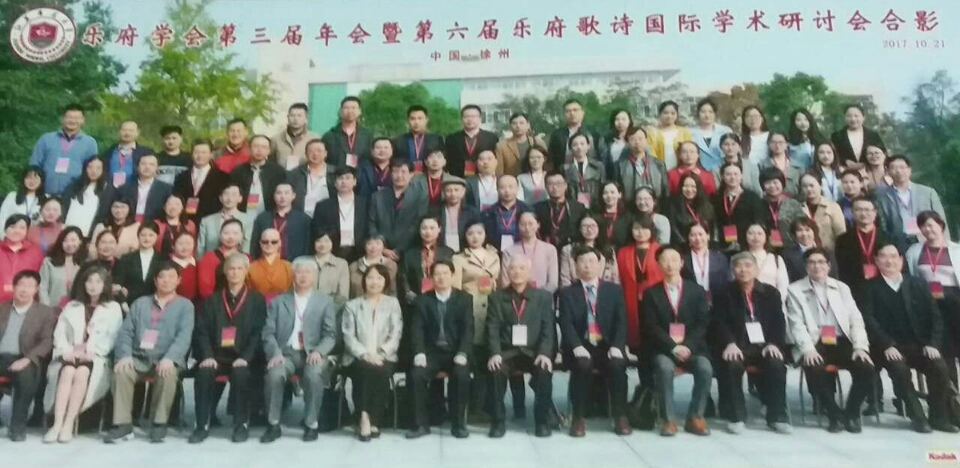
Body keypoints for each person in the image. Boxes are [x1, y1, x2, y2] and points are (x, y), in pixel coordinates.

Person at [861, 243, 958, 433]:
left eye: (893, 256)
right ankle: (918, 417)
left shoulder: (917, 284)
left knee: (939, 367)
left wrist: (933, 344)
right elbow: (868, 320)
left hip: (920, 345)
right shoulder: (869, 287)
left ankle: (938, 417)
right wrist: (887, 345)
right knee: (900, 371)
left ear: (901, 260)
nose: (889, 261)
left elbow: (935, 316)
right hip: (888, 348)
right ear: (876, 261)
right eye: (884, 257)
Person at [786, 247, 874, 433]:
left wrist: (860, 346)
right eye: (811, 262)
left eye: (821, 262)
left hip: (841, 340)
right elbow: (796, 324)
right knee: (814, 367)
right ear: (806, 266)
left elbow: (855, 319)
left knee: (866, 368)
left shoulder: (842, 288)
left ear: (828, 265)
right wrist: (808, 349)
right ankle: (834, 414)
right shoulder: (795, 290)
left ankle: (851, 413)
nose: (816, 266)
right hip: (814, 342)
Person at [103, 262, 193, 443]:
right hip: (139, 357)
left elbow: (184, 336)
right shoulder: (140, 303)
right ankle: (122, 424)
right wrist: (125, 355)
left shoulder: (185, 306)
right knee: (122, 371)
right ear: (155, 280)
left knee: (167, 374)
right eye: (162, 277)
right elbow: (126, 332)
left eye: (171, 277)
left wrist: (170, 358)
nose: (166, 281)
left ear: (178, 280)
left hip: (166, 358)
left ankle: (159, 423)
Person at [711, 252, 792, 434]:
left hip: (764, 345)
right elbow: (718, 322)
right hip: (737, 345)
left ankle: (777, 416)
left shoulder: (771, 293)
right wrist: (729, 343)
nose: (743, 270)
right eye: (738, 266)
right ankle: (736, 417)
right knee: (732, 364)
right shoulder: (723, 292)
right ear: (733, 270)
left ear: (756, 269)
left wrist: (774, 343)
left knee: (776, 364)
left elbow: (779, 321)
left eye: (748, 265)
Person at [190, 253, 267, 443]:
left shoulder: (256, 300)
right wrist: (207, 356)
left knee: (241, 374)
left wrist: (246, 357)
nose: (235, 272)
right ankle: (202, 425)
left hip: (243, 356)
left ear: (246, 271)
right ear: (225, 271)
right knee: (204, 373)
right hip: (216, 355)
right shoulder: (212, 300)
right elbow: (201, 331)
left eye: (239, 268)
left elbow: (258, 332)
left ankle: (241, 425)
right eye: (231, 268)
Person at [260, 258, 338, 443]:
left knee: (314, 375)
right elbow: (268, 332)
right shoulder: (279, 301)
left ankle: (311, 424)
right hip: (286, 352)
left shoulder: (324, 302)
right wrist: (275, 353)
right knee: (274, 374)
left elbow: (330, 335)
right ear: (293, 276)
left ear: (314, 276)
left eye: (308, 272)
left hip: (313, 353)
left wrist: (319, 351)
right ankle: (273, 424)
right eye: (299, 272)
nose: (303, 276)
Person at [42, 266, 123, 443]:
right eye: (89, 281)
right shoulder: (72, 306)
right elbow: (60, 333)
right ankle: (57, 424)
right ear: (83, 283)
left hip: (96, 356)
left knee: (82, 372)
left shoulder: (113, 308)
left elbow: (113, 337)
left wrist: (92, 351)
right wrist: (67, 351)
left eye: (98, 281)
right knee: (67, 371)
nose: (93, 286)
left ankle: (69, 423)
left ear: (105, 285)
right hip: (69, 355)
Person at [558, 246, 630, 437]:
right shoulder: (567, 293)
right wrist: (576, 346)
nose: (587, 265)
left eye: (591, 261)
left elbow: (621, 321)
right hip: (580, 345)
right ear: (575, 266)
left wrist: (617, 346)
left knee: (618, 365)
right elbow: (565, 323)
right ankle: (578, 418)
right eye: (582, 261)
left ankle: (620, 416)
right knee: (582, 365)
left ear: (600, 265)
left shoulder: (613, 290)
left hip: (607, 346)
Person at [643, 245, 713, 436]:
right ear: (658, 264)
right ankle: (669, 420)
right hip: (664, 349)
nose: (670, 264)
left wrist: (688, 346)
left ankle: (695, 417)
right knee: (664, 368)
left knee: (705, 368)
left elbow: (702, 324)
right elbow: (651, 326)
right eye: (665, 260)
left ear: (682, 263)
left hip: (692, 348)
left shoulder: (697, 291)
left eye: (674, 259)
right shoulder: (651, 293)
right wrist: (673, 347)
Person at [486, 256, 555, 437]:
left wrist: (545, 352)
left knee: (544, 370)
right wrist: (495, 353)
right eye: (513, 268)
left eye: (522, 268)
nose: (517, 272)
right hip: (507, 352)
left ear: (529, 271)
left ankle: (542, 421)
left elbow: (548, 328)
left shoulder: (543, 297)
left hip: (533, 352)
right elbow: (492, 328)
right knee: (495, 370)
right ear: (507, 272)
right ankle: (498, 422)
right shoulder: (496, 297)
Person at [405, 260, 473, 439]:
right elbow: (417, 329)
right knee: (416, 375)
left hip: (455, 352)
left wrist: (463, 353)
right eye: (437, 274)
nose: (441, 277)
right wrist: (419, 352)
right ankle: (420, 425)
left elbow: (468, 329)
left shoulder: (464, 299)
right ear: (431, 278)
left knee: (461, 375)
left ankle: (458, 424)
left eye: (445, 273)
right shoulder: (422, 300)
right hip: (432, 352)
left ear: (452, 275)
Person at [341, 264, 403, 441]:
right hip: (357, 356)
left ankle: (372, 417)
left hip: (385, 355)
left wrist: (381, 353)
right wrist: (365, 354)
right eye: (370, 278)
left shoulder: (392, 303)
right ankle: (364, 417)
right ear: (364, 281)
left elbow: (396, 333)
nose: (374, 282)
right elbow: (348, 336)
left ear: (386, 282)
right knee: (365, 369)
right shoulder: (352, 305)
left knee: (380, 370)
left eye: (379, 278)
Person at [451, 220, 500, 417]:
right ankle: (471, 406)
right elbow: (455, 288)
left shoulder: (494, 255)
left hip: (492, 309)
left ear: (485, 235)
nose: (475, 237)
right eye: (470, 233)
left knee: (490, 357)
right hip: (470, 310)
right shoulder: (458, 258)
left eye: (479, 232)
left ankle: (487, 405)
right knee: (474, 357)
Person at [0, 271, 56, 441]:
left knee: (26, 376)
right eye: (21, 285)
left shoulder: (45, 313)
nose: (24, 290)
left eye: (30, 286)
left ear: (36, 289)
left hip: (25, 358)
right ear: (14, 287)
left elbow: (46, 341)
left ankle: (17, 427)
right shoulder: (2, 308)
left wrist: (27, 359)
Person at [906, 211, 960, 385]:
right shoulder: (914, 251)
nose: (927, 229)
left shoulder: (956, 250)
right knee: (944, 349)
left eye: (931, 225)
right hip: (929, 304)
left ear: (941, 226)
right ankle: (951, 392)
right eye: (923, 226)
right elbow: (911, 278)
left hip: (954, 302)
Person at [616, 216, 665, 353]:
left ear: (651, 230)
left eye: (644, 228)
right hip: (630, 297)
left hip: (656, 298)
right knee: (635, 334)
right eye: (636, 228)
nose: (640, 232)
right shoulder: (623, 252)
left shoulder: (660, 250)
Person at [29, 103, 99, 196]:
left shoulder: (90, 143)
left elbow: (92, 170)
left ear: (83, 120)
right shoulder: (46, 139)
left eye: (76, 118)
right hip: (45, 193)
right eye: (69, 117)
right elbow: (35, 165)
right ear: (62, 118)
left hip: (75, 195)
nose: (72, 121)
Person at [368, 159, 429, 261]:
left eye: (403, 172)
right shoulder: (377, 196)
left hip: (409, 250)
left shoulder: (420, 196)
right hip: (380, 251)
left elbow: (418, 224)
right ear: (391, 174)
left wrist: (400, 249)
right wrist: (381, 247)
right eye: (395, 171)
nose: (399, 175)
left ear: (411, 174)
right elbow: (371, 223)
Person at [835, 197, 893, 300]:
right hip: (856, 290)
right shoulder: (843, 240)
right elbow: (842, 270)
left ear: (875, 212)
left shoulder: (889, 238)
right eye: (858, 210)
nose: (863, 213)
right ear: (852, 213)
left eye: (867, 210)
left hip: (886, 287)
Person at [882, 155, 948, 244]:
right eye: (894, 168)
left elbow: (941, 220)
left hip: (929, 241)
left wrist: (945, 243)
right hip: (899, 244)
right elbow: (883, 226)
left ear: (909, 170)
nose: (898, 171)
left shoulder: (928, 192)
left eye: (902, 167)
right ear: (888, 171)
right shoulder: (882, 196)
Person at [311, 166, 368, 261]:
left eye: (348, 178)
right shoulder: (323, 206)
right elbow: (318, 229)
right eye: (340, 178)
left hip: (360, 252)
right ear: (335, 183)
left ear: (354, 181)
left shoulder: (365, 204)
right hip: (333, 252)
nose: (344, 182)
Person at [398, 216, 456, 308]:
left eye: (432, 228)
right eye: (424, 228)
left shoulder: (448, 252)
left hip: (443, 299)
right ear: (419, 230)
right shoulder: (409, 254)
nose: (428, 232)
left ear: (439, 229)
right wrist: (409, 293)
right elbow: (403, 276)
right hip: (416, 300)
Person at [499, 212, 558, 293]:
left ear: (538, 225)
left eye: (530, 224)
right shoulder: (509, 251)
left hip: (543, 297)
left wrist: (539, 297)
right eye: (522, 224)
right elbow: (505, 282)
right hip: (515, 297)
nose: (527, 228)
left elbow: (553, 283)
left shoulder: (550, 249)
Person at [172, 139, 227, 224]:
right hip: (185, 222)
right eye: (196, 152)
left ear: (211, 154)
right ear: (191, 154)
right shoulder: (181, 177)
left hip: (211, 222)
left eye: (203, 152)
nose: (200, 156)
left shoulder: (222, 177)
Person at [232, 135, 287, 220]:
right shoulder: (238, 171)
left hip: (269, 217)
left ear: (269, 151)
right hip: (242, 217)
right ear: (249, 149)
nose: (259, 150)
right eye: (256, 146)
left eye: (263, 147)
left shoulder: (278, 172)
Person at [250, 182, 310, 260]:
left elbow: (307, 245)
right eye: (279, 193)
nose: (282, 196)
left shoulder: (303, 219)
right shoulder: (263, 218)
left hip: (294, 263)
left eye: (286, 193)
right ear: (274, 196)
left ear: (293, 196)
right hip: (266, 262)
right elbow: (255, 244)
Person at [713, 162, 763, 252]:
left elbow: (757, 221)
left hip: (746, 244)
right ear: (722, 176)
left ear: (741, 176)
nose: (732, 177)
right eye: (728, 174)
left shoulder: (752, 197)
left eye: (736, 174)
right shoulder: (716, 198)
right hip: (723, 244)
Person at [560, 214, 619, 287]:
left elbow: (614, 279)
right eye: (585, 226)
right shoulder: (568, 250)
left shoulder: (608, 250)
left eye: (593, 226)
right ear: (579, 229)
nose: (589, 229)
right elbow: (565, 280)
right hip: (575, 292)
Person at [114, 222, 165, 305]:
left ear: (157, 237)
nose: (147, 238)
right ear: (138, 236)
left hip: (155, 304)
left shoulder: (163, 260)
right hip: (129, 303)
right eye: (143, 235)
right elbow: (118, 284)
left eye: (151, 235)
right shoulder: (126, 259)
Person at [61, 157, 113, 238]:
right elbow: (64, 207)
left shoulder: (106, 190)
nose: (93, 171)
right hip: (67, 231)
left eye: (98, 168)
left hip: (88, 234)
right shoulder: (73, 186)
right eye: (90, 167)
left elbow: (102, 215)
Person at [197, 183, 253, 257]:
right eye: (226, 194)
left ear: (240, 198)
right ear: (220, 198)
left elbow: (246, 246)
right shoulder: (206, 221)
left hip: (237, 261)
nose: (229, 198)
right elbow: (200, 249)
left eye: (233, 195)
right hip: (211, 261)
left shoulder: (248, 220)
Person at [480, 175, 533, 251]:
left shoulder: (528, 210)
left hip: (523, 250)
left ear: (517, 188)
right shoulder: (488, 213)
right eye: (502, 187)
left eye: (511, 187)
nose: (507, 190)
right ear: (497, 189)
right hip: (495, 252)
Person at [535, 170, 586, 249]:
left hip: (571, 248)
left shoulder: (578, 207)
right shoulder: (538, 208)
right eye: (550, 184)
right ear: (545, 187)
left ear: (565, 185)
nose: (554, 187)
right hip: (546, 248)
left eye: (558, 183)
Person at [444, 104, 499, 178]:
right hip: (458, 178)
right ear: (461, 119)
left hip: (483, 177)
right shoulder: (452, 138)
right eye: (466, 116)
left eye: (473, 116)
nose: (470, 119)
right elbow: (448, 160)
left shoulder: (491, 138)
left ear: (480, 118)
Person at [116, 153, 173, 224]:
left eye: (151, 164)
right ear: (137, 167)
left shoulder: (166, 189)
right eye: (143, 164)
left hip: (154, 225)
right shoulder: (125, 188)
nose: (147, 167)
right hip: (128, 223)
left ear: (157, 168)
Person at [616, 126, 668, 202]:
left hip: (655, 204)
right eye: (633, 139)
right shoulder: (619, 165)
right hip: (630, 204)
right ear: (627, 143)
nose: (637, 142)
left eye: (640, 139)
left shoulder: (659, 164)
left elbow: (665, 189)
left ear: (646, 140)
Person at [39, 226, 87, 308]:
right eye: (65, 241)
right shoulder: (49, 262)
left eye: (73, 240)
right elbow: (42, 287)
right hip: (51, 308)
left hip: (75, 310)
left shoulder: (84, 264)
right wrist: (47, 309)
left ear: (80, 241)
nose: (69, 244)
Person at [0, 215, 44, 303]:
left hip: (25, 302)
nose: (17, 231)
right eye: (12, 227)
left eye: (22, 228)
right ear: (5, 229)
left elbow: (40, 278)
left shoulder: (35, 252)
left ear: (27, 231)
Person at [197, 219, 245, 300]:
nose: (231, 237)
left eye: (235, 233)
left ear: (241, 236)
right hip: (216, 302)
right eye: (226, 233)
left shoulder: (246, 258)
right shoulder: (209, 258)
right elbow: (205, 290)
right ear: (220, 235)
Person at [288, 139, 336, 218]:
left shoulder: (335, 173)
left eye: (319, 151)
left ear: (325, 153)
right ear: (306, 154)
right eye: (311, 151)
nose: (315, 154)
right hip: (301, 217)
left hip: (328, 217)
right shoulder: (295, 174)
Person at [682, 222, 729, 303]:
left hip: (717, 302)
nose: (697, 238)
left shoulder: (720, 258)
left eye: (700, 234)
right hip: (692, 302)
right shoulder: (683, 259)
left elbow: (726, 282)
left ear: (708, 236)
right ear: (688, 238)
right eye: (693, 235)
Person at [547, 99, 601, 168]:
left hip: (590, 172)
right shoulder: (557, 135)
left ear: (582, 112)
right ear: (564, 114)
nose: (572, 113)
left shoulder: (593, 134)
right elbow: (551, 159)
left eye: (575, 110)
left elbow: (600, 157)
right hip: (563, 172)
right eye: (568, 111)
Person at [322, 97, 373, 169]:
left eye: (353, 108)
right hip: (336, 174)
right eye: (346, 108)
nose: (350, 111)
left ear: (359, 111)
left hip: (361, 174)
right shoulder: (329, 136)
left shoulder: (367, 135)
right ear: (340, 111)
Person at [799, 173, 847, 251]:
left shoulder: (833, 207)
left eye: (811, 185)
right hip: (807, 253)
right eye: (805, 186)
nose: (809, 189)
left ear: (820, 185)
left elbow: (841, 234)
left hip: (830, 252)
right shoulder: (799, 208)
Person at [782, 217, 839, 283]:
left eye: (807, 230)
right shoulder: (788, 254)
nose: (804, 234)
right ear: (794, 234)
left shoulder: (827, 252)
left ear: (814, 231)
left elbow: (834, 275)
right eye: (799, 230)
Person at [760, 167, 804, 249]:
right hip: (765, 247)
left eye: (775, 182)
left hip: (792, 246)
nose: (772, 186)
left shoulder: (793, 204)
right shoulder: (758, 204)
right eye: (768, 183)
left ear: (782, 183)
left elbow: (802, 225)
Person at [745, 223, 790, 304]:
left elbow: (783, 287)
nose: (755, 237)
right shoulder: (739, 259)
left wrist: (775, 303)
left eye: (759, 233)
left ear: (766, 237)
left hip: (773, 304)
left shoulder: (776, 259)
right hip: (746, 305)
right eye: (751, 233)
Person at [830, 104, 886, 170]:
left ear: (863, 117)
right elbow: (832, 154)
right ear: (845, 118)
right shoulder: (836, 136)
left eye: (856, 116)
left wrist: (865, 163)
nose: (853, 119)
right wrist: (845, 161)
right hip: (845, 171)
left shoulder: (873, 135)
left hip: (869, 171)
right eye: (849, 116)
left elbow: (883, 153)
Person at [101, 121, 154, 189]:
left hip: (136, 189)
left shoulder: (146, 152)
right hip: (110, 189)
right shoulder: (110, 151)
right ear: (119, 132)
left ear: (137, 133)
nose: (127, 133)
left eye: (131, 130)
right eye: (124, 130)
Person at [665, 172, 716, 243]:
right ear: (681, 187)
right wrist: (687, 244)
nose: (689, 189)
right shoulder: (673, 205)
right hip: (683, 244)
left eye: (693, 186)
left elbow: (713, 228)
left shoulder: (707, 205)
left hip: (705, 244)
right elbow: (674, 229)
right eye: (686, 186)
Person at [432, 177, 480, 252]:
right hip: (441, 252)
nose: (453, 194)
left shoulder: (472, 212)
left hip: (465, 252)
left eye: (456, 190)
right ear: (443, 192)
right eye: (448, 190)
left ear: (463, 191)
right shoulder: (435, 211)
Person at [271, 103, 322, 170]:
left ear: (306, 118)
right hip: (281, 175)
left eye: (299, 116)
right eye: (292, 115)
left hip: (305, 174)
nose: (296, 119)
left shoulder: (315, 138)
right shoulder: (276, 139)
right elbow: (270, 160)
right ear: (288, 117)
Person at [246, 228, 293, 302]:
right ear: (260, 243)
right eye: (265, 242)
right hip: (258, 305)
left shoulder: (288, 267)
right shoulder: (251, 268)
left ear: (280, 243)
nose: (269, 244)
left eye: (274, 242)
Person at [306, 230, 350, 306]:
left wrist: (330, 310)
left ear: (333, 243)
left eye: (327, 241)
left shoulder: (341, 264)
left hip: (333, 309)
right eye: (318, 241)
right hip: (307, 309)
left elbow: (343, 295)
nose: (322, 244)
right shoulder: (305, 262)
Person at [394, 105, 444, 170]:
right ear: (408, 120)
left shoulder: (436, 140)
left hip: (429, 173)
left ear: (426, 120)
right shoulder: (399, 141)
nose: (416, 122)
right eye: (413, 119)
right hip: (407, 174)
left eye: (420, 118)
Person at [495, 112, 546, 177]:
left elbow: (546, 164)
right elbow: (499, 171)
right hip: (512, 181)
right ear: (510, 126)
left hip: (536, 179)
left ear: (528, 125)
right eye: (514, 123)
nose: (518, 126)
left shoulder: (538, 142)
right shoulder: (501, 146)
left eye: (521, 123)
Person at [689, 99, 733, 171]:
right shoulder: (690, 133)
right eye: (703, 112)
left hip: (723, 170)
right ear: (698, 114)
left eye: (710, 112)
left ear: (715, 114)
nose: (707, 115)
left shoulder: (726, 131)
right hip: (699, 171)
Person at [647, 100, 692, 170]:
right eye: (665, 113)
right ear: (660, 114)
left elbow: (690, 151)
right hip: (660, 171)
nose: (669, 116)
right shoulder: (653, 133)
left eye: (673, 113)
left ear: (677, 115)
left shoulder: (684, 132)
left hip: (681, 171)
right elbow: (651, 154)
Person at [0, 166, 45, 235]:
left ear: (41, 181)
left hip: (32, 237)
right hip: (11, 235)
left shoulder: (45, 200)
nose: (32, 181)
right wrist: (3, 235)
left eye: (35, 178)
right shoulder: (12, 196)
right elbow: (2, 218)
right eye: (29, 178)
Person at [758, 133, 804, 198]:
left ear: (787, 144)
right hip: (770, 200)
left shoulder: (798, 166)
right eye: (774, 142)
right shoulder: (762, 165)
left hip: (794, 199)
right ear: (769, 144)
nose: (777, 145)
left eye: (781, 142)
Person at [597, 181, 632, 249]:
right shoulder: (595, 215)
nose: (609, 196)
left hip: (622, 251)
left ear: (620, 195)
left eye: (612, 192)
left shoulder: (627, 216)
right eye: (605, 193)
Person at [600, 109, 633, 177]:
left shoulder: (635, 137)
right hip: (612, 175)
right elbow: (603, 161)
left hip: (630, 174)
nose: (620, 122)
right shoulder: (607, 139)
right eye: (617, 119)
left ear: (629, 121)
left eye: (623, 119)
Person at [170, 231, 199, 303]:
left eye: (188, 243)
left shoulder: (199, 265)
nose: (185, 247)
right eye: (180, 244)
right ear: (173, 246)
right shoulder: (167, 264)